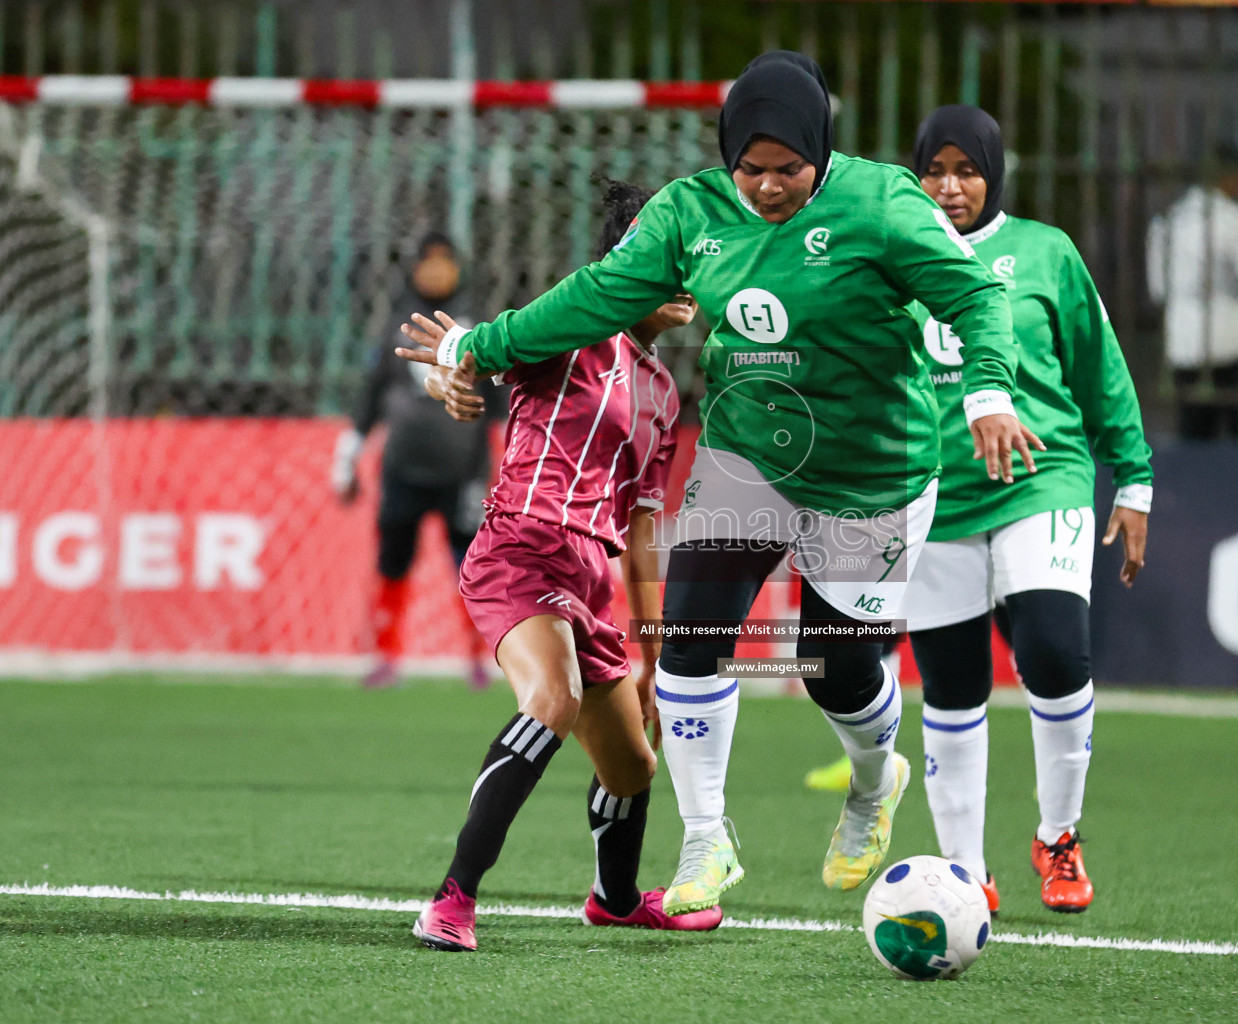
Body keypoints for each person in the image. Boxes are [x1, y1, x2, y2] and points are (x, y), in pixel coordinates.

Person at [398, 53, 1038, 919]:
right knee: (691, 634)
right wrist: (479, 347)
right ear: (728, 155)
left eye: (789, 170)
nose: (768, 188)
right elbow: (593, 297)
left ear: (823, 152)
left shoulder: (886, 206)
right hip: (748, 454)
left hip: (872, 471)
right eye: (752, 169)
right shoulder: (688, 214)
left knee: (834, 671)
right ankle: (706, 839)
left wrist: (991, 394)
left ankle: (872, 779)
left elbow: (975, 298)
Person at [401, 183, 717, 952]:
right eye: (670, 260)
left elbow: (644, 530)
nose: (687, 280)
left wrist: (653, 654)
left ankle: (613, 899)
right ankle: (450, 900)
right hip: (519, 546)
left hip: (590, 575)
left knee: (635, 768)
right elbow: (474, 350)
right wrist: (448, 378)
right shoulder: (568, 330)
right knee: (554, 699)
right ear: (628, 262)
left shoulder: (665, 395)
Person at [904, 105, 1153, 915]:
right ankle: (964, 874)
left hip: (1041, 478)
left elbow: (1100, 368)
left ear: (994, 173)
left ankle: (1058, 836)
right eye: (935, 170)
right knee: (951, 686)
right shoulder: (890, 258)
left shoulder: (1047, 252)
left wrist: (1136, 478)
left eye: (966, 170)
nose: (950, 186)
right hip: (931, 493)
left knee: (1051, 650)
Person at [331, 232, 493, 688]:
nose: (437, 270)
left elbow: (500, 404)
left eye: (446, 262)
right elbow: (371, 393)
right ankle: (386, 656)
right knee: (393, 562)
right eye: (429, 262)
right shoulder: (395, 323)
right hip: (401, 466)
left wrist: (493, 471)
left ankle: (479, 659)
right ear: (416, 268)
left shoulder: (480, 322)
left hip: (463, 470)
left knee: (471, 569)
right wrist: (348, 453)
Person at [1146, 144, 1238, 441]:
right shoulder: (1235, 219)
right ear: (1229, 177)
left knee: (1193, 432)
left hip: (1182, 343)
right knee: (1237, 435)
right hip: (1230, 344)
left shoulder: (1167, 221)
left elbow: (1158, 290)